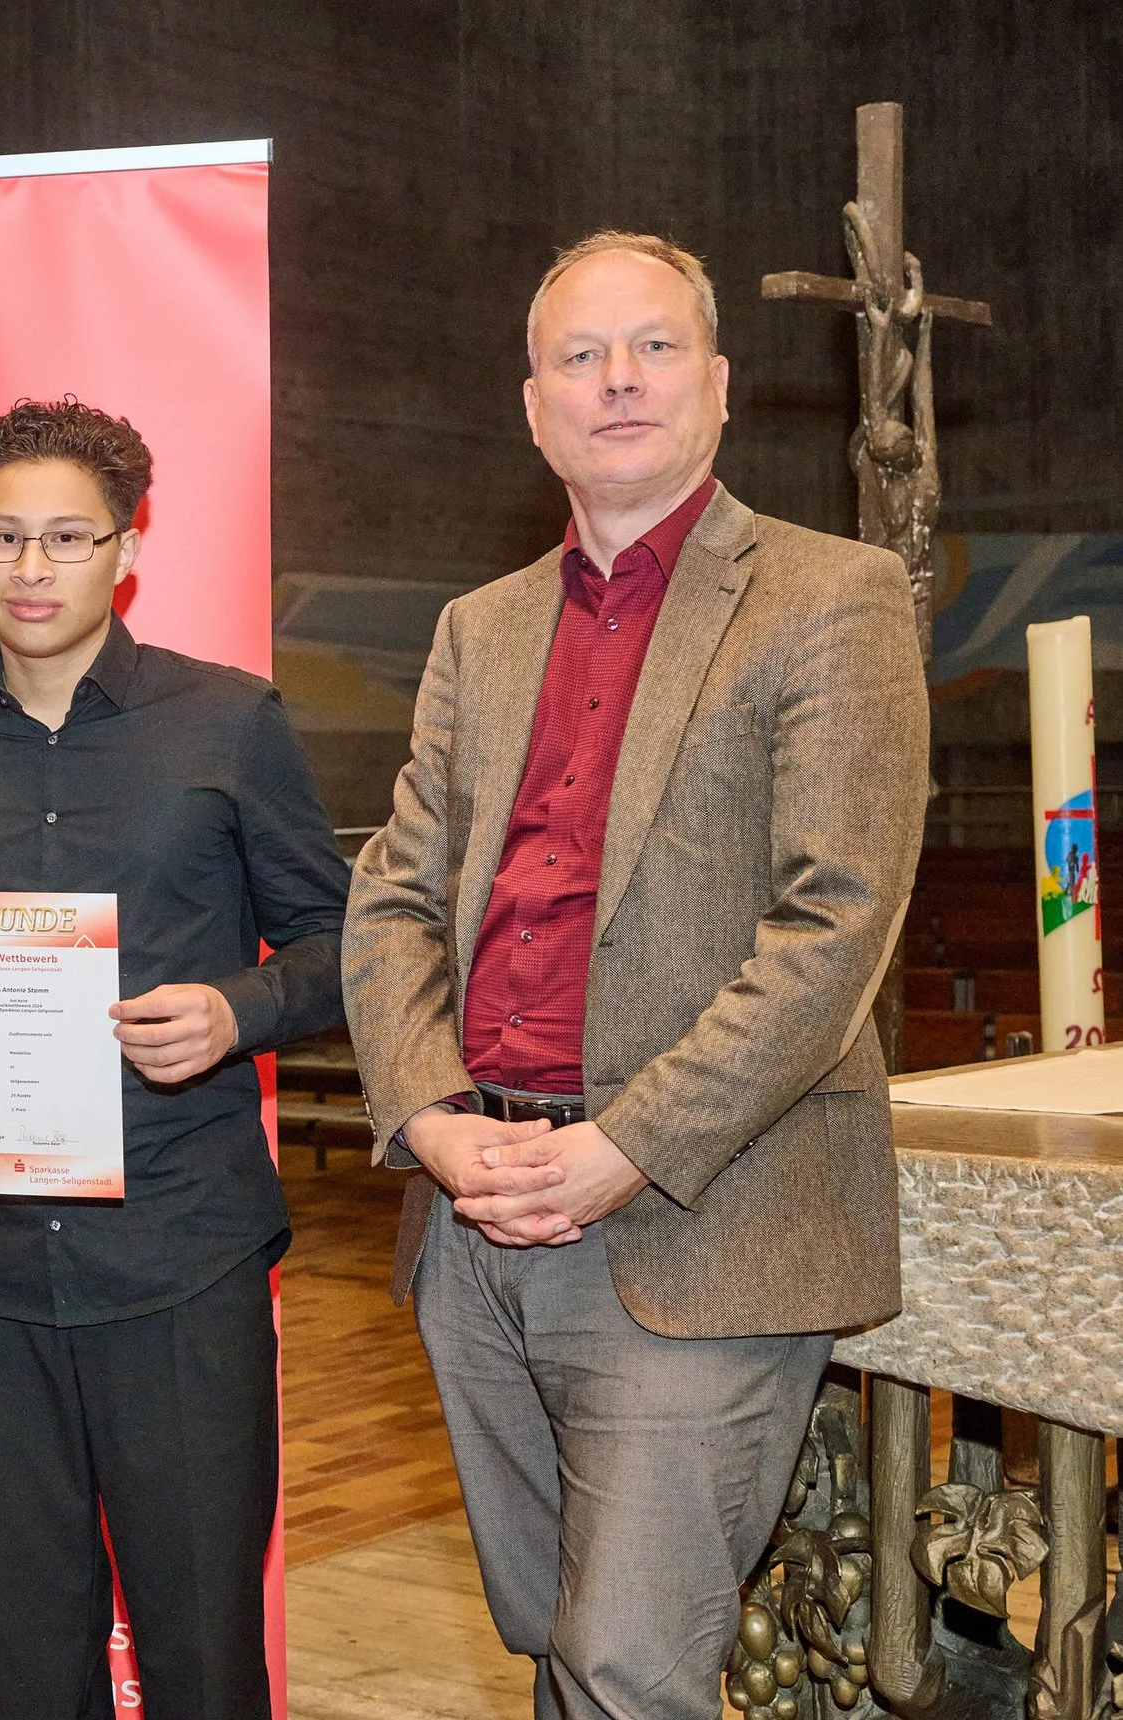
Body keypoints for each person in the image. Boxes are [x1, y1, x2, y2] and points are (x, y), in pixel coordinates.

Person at [341, 231, 929, 1720]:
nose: (617, 380)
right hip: (476, 1212)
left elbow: (836, 922)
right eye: (580, 356)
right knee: (554, 1638)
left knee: (625, 1665)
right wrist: (427, 1116)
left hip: (697, 1221)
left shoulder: (832, 595)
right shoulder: (480, 630)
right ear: (533, 406)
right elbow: (394, 896)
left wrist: (629, 1146)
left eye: (654, 347)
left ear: (718, 386)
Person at [0, 399, 349, 1719]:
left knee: (200, 1660)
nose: (31, 566)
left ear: (126, 548)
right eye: (1, 536)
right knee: (24, 1666)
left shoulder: (227, 721)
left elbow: (345, 942)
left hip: (181, 1257)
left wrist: (236, 1010)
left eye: (67, 537)